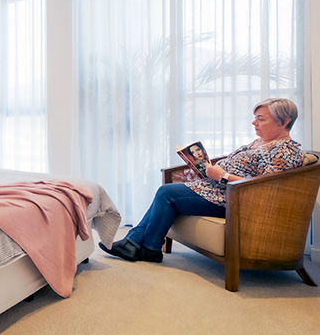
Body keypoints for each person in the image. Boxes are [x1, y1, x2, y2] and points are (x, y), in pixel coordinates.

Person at [100, 98, 306, 263]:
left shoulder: (285, 150)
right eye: (255, 118)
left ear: (284, 122)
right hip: (216, 190)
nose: (254, 123)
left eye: (261, 119)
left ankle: (144, 246)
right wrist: (206, 169)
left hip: (234, 200)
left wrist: (222, 175)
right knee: (167, 191)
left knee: (167, 193)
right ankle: (138, 244)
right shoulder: (260, 142)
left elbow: (265, 187)